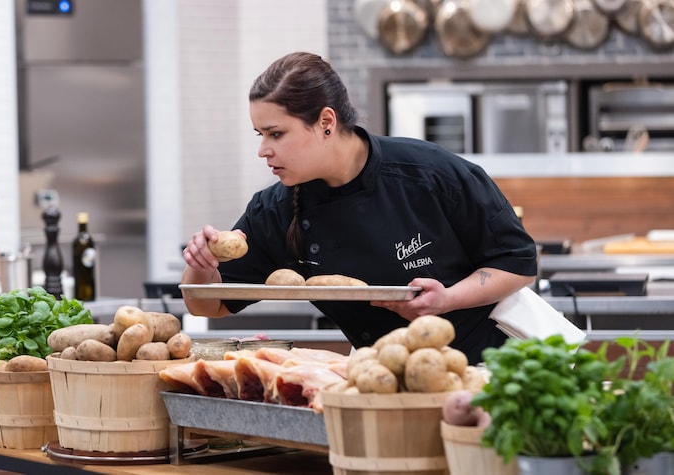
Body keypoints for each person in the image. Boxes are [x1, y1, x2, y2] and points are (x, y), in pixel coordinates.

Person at [181, 52, 537, 364]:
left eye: (276, 134)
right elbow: (208, 305)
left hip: (490, 369)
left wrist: (447, 299)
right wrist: (201, 267)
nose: (263, 151)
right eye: (261, 135)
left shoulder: (429, 174)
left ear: (326, 123)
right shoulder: (276, 210)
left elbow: (518, 263)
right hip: (381, 375)